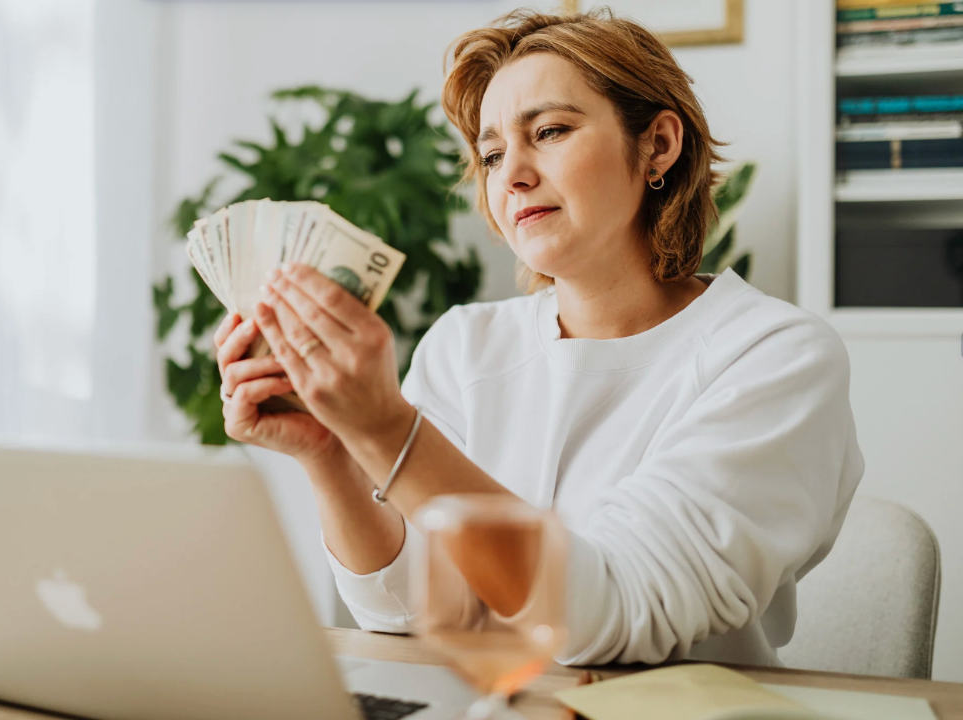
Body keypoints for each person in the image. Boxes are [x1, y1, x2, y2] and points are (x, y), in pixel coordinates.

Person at [213, 8, 863, 667]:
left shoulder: (774, 357)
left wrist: (385, 431)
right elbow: (404, 609)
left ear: (658, 146)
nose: (512, 174)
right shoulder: (465, 345)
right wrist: (332, 456)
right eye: (492, 154)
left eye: (549, 131)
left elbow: (612, 616)